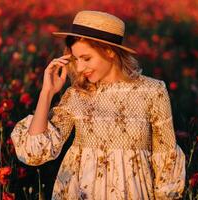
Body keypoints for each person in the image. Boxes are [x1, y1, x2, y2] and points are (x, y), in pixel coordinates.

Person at [11, 10, 186, 199]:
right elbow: (35, 153)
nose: (79, 68)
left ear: (109, 51)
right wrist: (46, 93)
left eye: (86, 58)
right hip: (81, 192)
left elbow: (166, 159)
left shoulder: (153, 91)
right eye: (76, 59)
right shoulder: (76, 95)